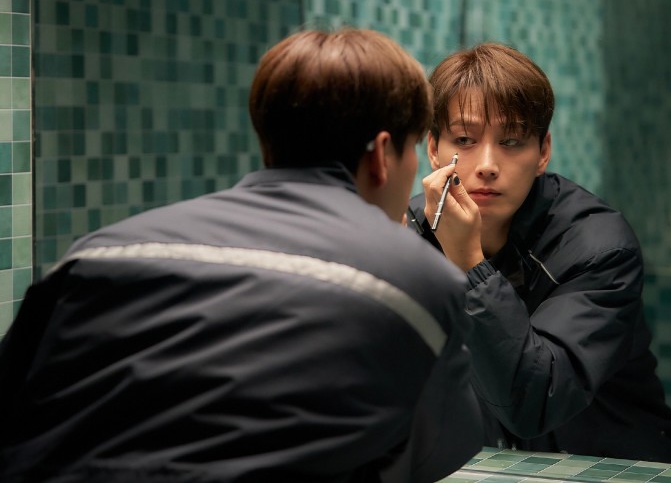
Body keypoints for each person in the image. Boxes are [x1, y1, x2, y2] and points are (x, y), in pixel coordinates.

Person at [0, 28, 483, 482]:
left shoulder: (97, 253)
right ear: (381, 154)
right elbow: (443, 451)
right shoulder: (410, 278)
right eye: (412, 147)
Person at [408, 42, 671, 464]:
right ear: (433, 148)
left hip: (617, 469)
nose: (487, 164)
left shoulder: (598, 246)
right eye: (464, 139)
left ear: (542, 152)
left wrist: (469, 262)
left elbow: (533, 402)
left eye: (511, 141)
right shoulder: (411, 231)